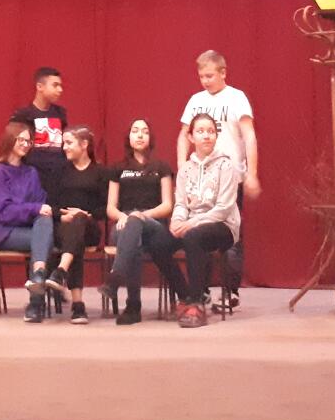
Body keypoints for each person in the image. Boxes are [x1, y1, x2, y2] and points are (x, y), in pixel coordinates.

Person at [176, 50, 258, 310]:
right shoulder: (196, 100)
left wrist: (252, 173)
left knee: (229, 236)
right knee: (198, 233)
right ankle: (200, 290)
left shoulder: (236, 98)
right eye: (201, 76)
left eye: (210, 76)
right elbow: (183, 135)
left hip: (229, 178)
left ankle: (229, 291)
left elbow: (249, 135)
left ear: (223, 73)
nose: (205, 81)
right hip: (199, 179)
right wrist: (182, 168)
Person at [148, 113, 240, 328]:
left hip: (223, 226)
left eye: (211, 131)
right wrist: (177, 221)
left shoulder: (226, 165)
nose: (206, 136)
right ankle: (186, 295)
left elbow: (223, 209)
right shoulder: (185, 170)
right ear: (191, 137)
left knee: (193, 237)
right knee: (158, 243)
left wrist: (191, 223)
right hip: (191, 225)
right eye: (200, 131)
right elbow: (181, 203)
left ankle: (197, 304)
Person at [0, 121, 56, 323]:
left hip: (27, 229)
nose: (25, 144)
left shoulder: (31, 172)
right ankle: (36, 301)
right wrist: (33, 209)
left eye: (28, 141)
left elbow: (39, 202)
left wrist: (37, 209)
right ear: (10, 140)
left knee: (44, 223)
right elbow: (4, 212)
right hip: (2, 231)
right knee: (43, 238)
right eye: (20, 139)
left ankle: (37, 278)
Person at [103, 118, 175, 325]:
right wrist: (125, 217)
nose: (140, 135)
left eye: (145, 131)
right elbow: (110, 208)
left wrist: (142, 215)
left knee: (134, 227)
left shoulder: (161, 167)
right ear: (129, 137)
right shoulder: (118, 168)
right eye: (135, 131)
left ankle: (124, 290)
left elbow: (167, 205)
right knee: (131, 237)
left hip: (154, 224)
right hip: (124, 221)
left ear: (151, 138)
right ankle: (132, 306)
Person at [42, 126, 108, 324]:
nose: (65, 147)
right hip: (63, 227)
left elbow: (107, 207)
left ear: (84, 144)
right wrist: (62, 216)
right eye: (64, 143)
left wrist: (87, 215)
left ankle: (61, 271)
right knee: (74, 240)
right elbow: (50, 204)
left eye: (69, 143)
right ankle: (77, 305)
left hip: (90, 227)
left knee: (78, 223)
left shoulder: (100, 172)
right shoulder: (59, 172)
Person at [10, 67, 68, 198]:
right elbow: (13, 147)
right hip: (33, 179)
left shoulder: (61, 114)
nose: (60, 90)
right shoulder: (23, 115)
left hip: (58, 179)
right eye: (55, 85)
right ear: (40, 87)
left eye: (61, 86)